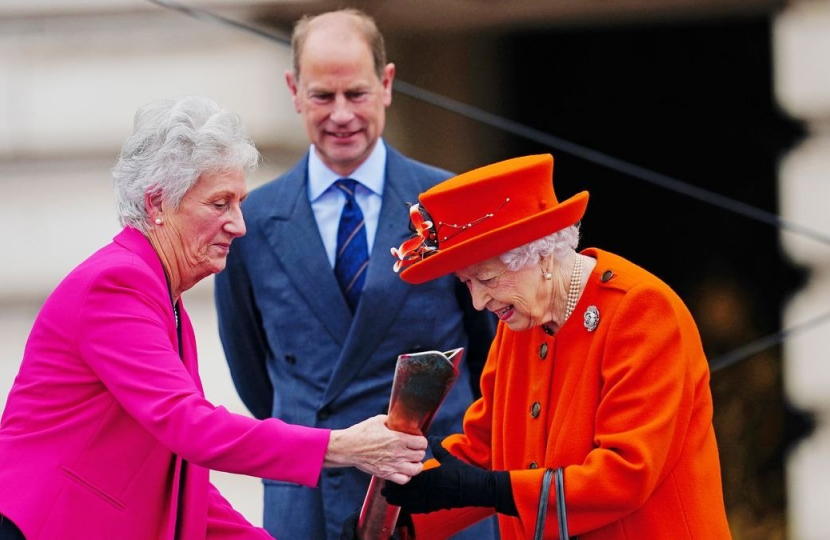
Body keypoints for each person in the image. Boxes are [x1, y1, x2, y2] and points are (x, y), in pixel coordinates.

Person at [0, 96, 428, 540]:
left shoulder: (158, 288)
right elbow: (192, 427)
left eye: (239, 203)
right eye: (220, 204)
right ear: (157, 205)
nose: (239, 225)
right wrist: (343, 447)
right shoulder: (117, 284)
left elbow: (183, 477)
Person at [213, 8, 497, 540]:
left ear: (386, 85)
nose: (341, 115)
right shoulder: (250, 222)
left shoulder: (449, 203)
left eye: (357, 94)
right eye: (323, 96)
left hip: (433, 487)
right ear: (294, 91)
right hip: (310, 496)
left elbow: (490, 355)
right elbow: (252, 375)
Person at [376, 154, 733, 539]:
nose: (479, 302)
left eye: (489, 279)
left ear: (542, 255)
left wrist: (493, 490)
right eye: (467, 284)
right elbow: (484, 452)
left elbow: (625, 474)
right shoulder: (519, 324)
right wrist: (400, 523)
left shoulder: (641, 310)